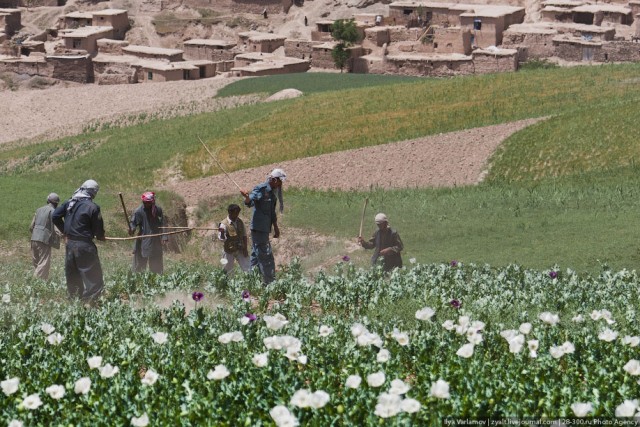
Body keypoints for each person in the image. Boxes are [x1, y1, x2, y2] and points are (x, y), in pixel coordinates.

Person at [52, 179, 105, 303]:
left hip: (70, 244)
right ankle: (89, 303)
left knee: (73, 274)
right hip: (84, 245)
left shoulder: (69, 203)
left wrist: (65, 231)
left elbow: (55, 216)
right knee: (93, 276)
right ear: (93, 192)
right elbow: (98, 229)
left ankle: (75, 301)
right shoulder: (93, 207)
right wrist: (100, 236)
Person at [240, 168, 286, 285]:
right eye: (280, 181)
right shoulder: (261, 189)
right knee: (265, 255)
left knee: (256, 256)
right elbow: (250, 202)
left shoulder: (272, 193)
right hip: (258, 228)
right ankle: (270, 282)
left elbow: (272, 212)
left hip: (264, 228)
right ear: (275, 180)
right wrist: (246, 197)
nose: (281, 184)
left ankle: (251, 282)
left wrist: (275, 227)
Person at [129, 191, 168, 274]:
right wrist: (131, 229)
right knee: (139, 266)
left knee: (156, 265)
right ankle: (138, 280)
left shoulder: (158, 210)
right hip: (143, 241)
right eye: (144, 202)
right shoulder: (138, 211)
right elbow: (133, 224)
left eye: (148, 203)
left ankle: (156, 279)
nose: (146, 204)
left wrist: (164, 236)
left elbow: (163, 223)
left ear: (152, 202)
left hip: (155, 241)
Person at [29, 192, 61, 280]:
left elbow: (31, 226)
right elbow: (57, 229)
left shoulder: (38, 210)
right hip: (44, 239)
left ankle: (41, 284)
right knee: (43, 263)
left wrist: (36, 233)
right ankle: (34, 284)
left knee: (36, 263)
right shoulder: (54, 212)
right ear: (57, 203)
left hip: (34, 238)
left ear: (48, 200)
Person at [218, 204, 250, 275]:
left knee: (248, 267)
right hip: (228, 250)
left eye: (237, 213)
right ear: (230, 213)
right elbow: (221, 239)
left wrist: (245, 248)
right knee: (227, 271)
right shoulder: (223, 224)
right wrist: (222, 233)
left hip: (240, 248)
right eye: (235, 214)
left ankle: (250, 281)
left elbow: (244, 235)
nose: (236, 215)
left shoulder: (240, 222)